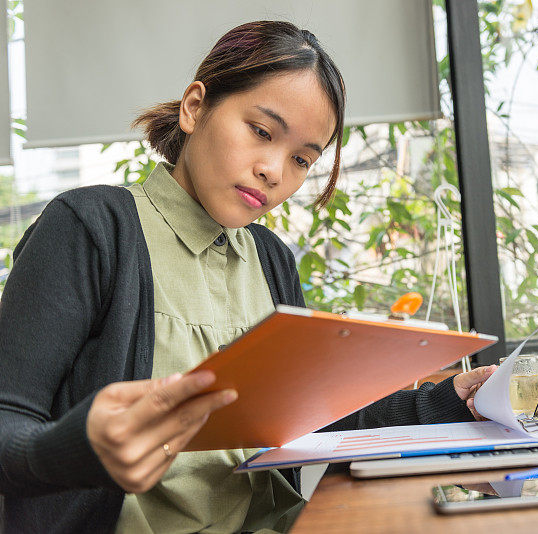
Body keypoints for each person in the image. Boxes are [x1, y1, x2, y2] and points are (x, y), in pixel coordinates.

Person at [0, 21, 496, 533]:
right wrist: (76, 450)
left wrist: (446, 399)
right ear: (195, 107)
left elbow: (316, 424)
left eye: (302, 159)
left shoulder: (272, 260)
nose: (275, 170)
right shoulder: (91, 230)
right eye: (261, 131)